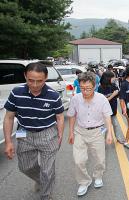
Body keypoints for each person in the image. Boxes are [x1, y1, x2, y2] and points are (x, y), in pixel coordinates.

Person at [3, 61, 64, 200]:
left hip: (48, 133)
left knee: (47, 171)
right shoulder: (16, 92)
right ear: (25, 76)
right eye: (31, 80)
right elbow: (8, 117)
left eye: (39, 81)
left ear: (46, 78)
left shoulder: (53, 95)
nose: (35, 85)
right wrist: (8, 142)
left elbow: (60, 117)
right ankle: (41, 179)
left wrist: (60, 135)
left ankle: (46, 195)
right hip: (23, 133)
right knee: (25, 167)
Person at [67, 72, 113, 196]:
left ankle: (98, 176)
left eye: (88, 88)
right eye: (82, 88)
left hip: (97, 132)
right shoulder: (76, 99)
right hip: (80, 132)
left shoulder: (101, 99)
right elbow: (71, 116)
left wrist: (109, 133)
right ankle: (84, 181)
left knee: (100, 158)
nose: (85, 91)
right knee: (79, 160)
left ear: (95, 86)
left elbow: (107, 116)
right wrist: (71, 132)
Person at [98, 71, 126, 144]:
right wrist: (112, 95)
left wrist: (112, 95)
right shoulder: (100, 87)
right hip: (104, 111)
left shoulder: (114, 85)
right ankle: (102, 140)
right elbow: (102, 99)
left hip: (113, 110)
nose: (114, 78)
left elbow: (118, 94)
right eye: (112, 77)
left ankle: (118, 138)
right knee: (104, 127)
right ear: (108, 78)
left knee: (116, 124)